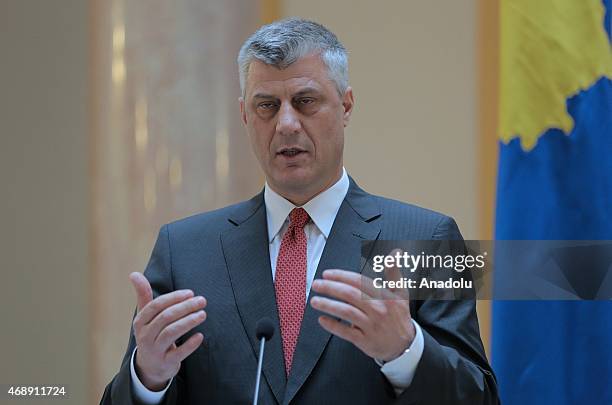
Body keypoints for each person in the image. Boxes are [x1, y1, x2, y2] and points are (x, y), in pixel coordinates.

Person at [101, 18, 499, 404]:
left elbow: (481, 397)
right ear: (244, 115)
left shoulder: (425, 240)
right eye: (267, 106)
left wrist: (406, 351)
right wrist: (147, 379)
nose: (286, 124)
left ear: (345, 106)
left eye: (305, 102)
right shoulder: (184, 250)